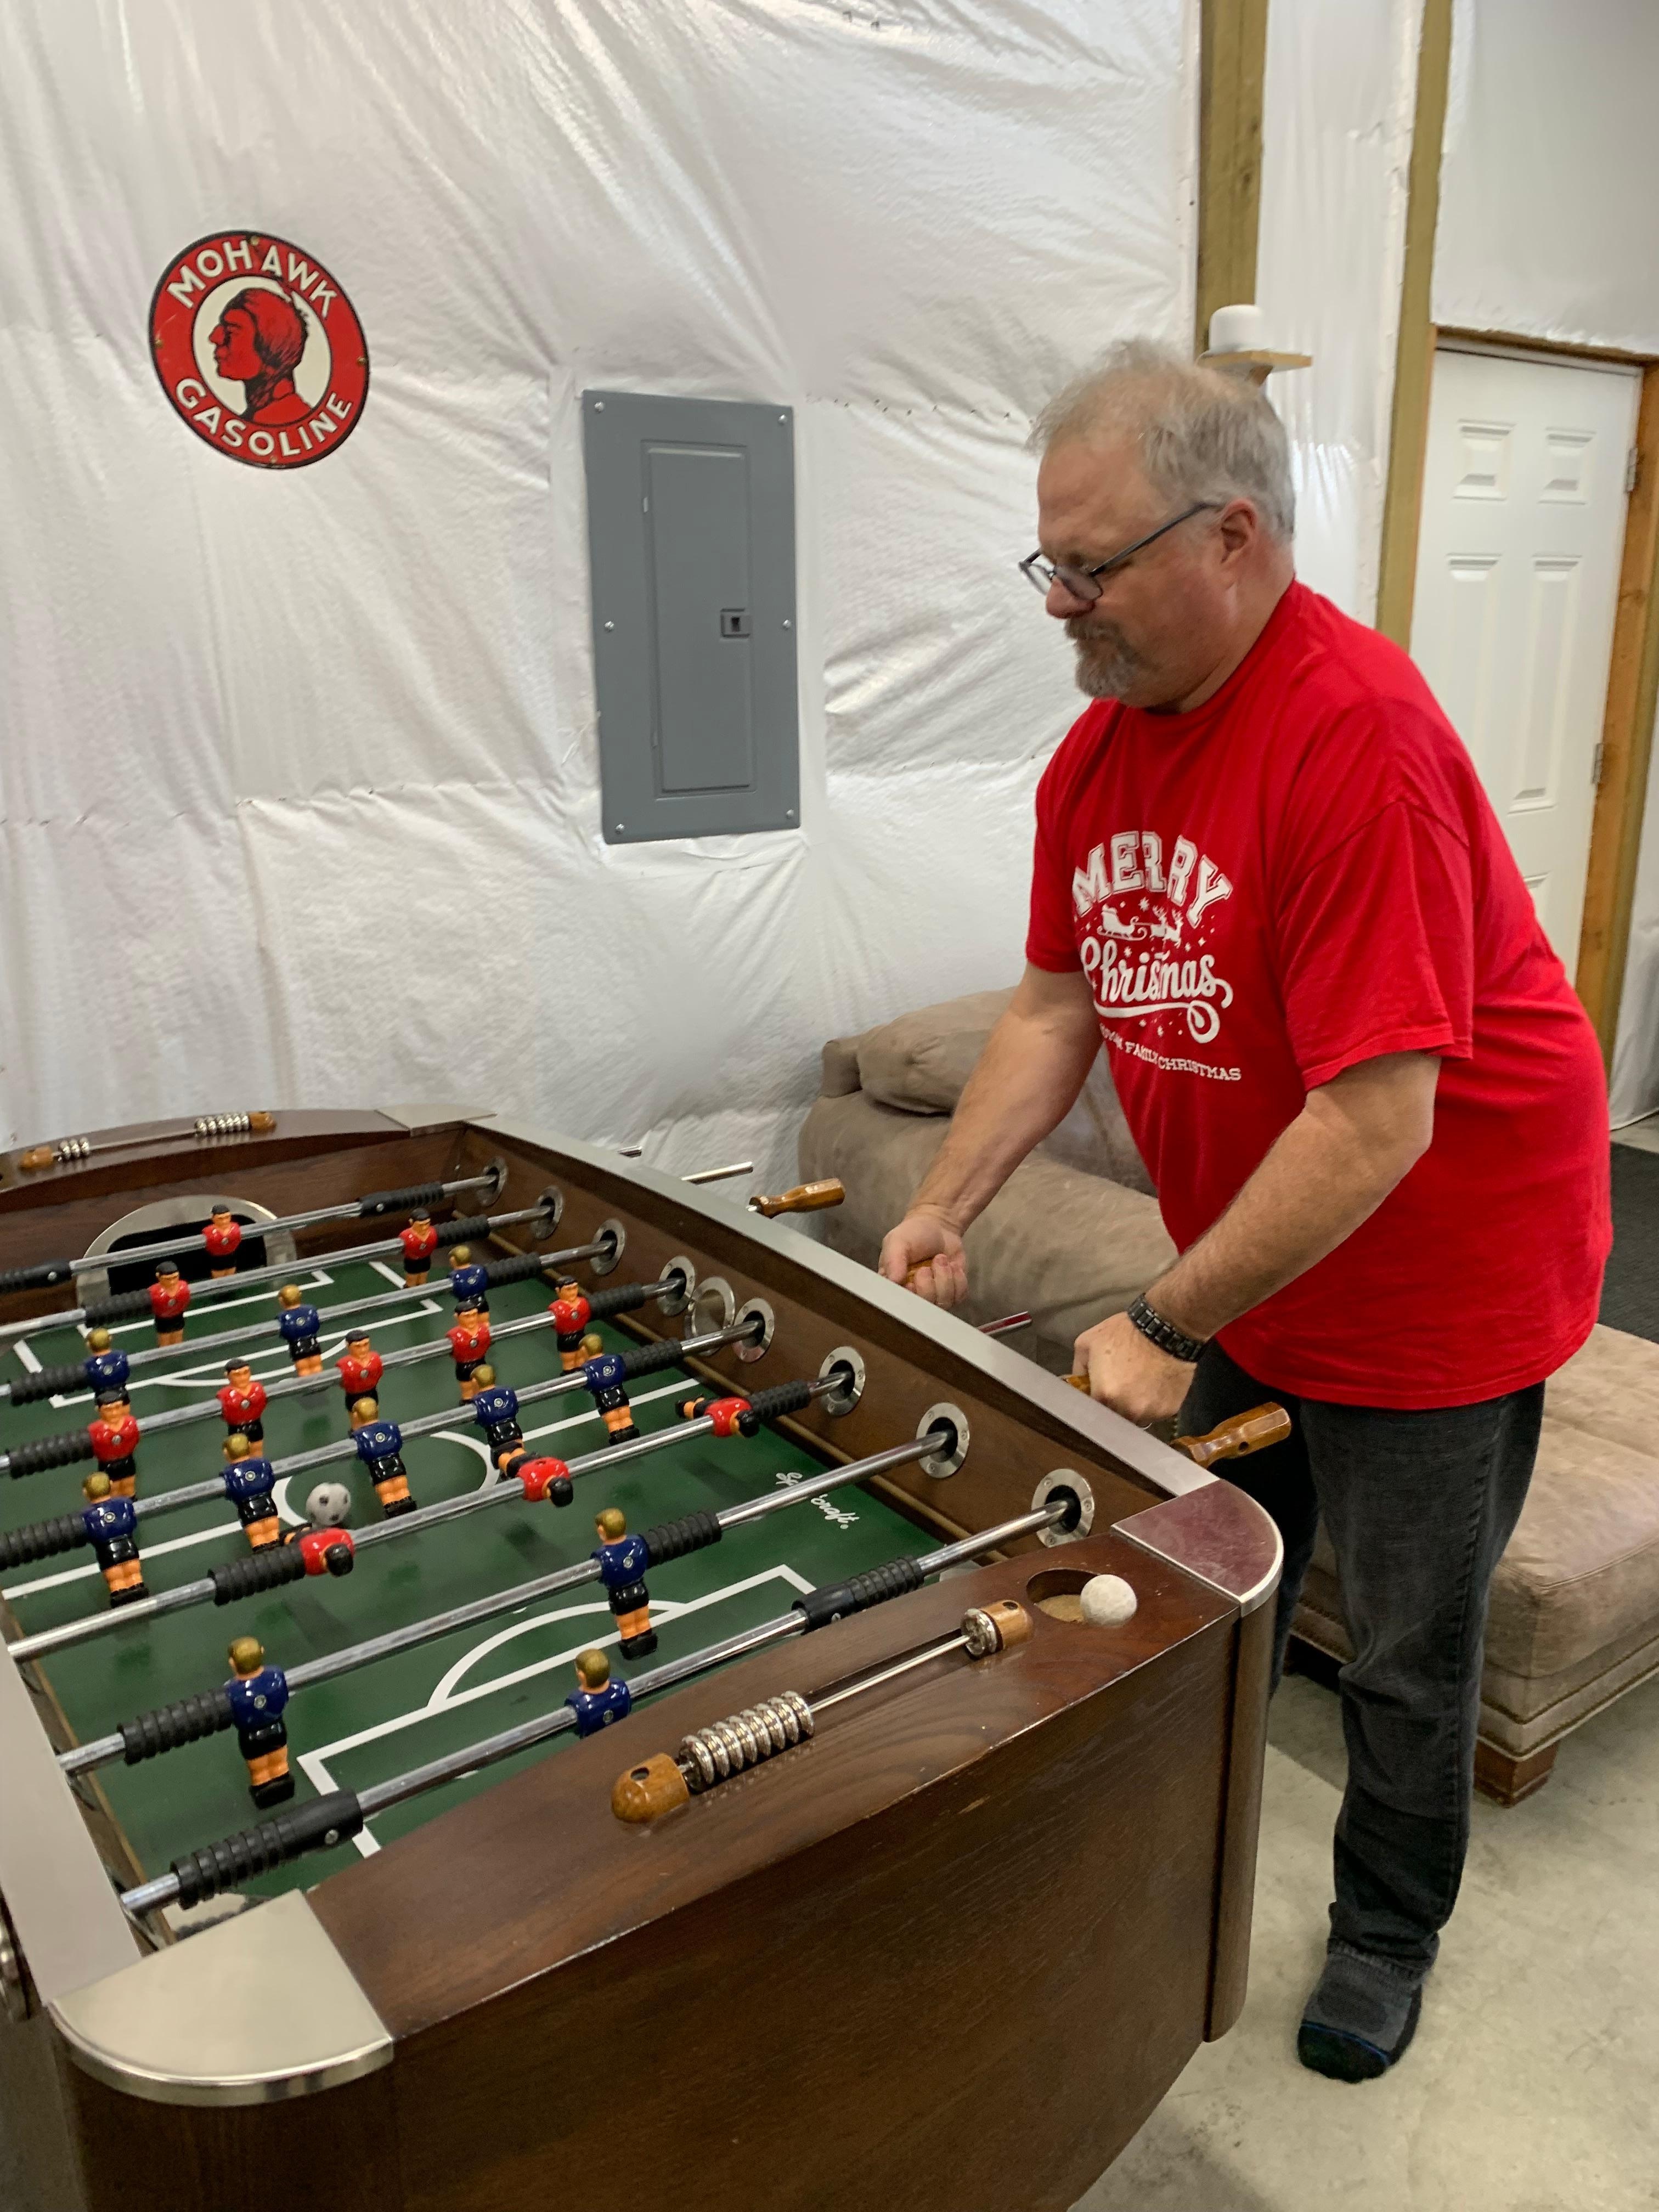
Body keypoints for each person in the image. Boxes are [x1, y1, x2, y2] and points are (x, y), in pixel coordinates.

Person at [879, 341, 1610, 2083]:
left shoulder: (1357, 740)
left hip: (1446, 1270)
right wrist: (944, 1201)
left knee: (1407, 1649)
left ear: (1234, 536)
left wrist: (1164, 1315)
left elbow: (1377, 1120)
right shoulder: (1099, 759)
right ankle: (1173, 1869)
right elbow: (1056, 1005)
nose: (1059, 603)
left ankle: (1385, 1934)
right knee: (1211, 1592)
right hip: (1269, 1265)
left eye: (1094, 566)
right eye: (1049, 560)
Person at [208, 289, 309, 427]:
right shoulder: (251, 423)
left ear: (272, 346)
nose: (215, 338)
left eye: (231, 332)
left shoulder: (286, 421)